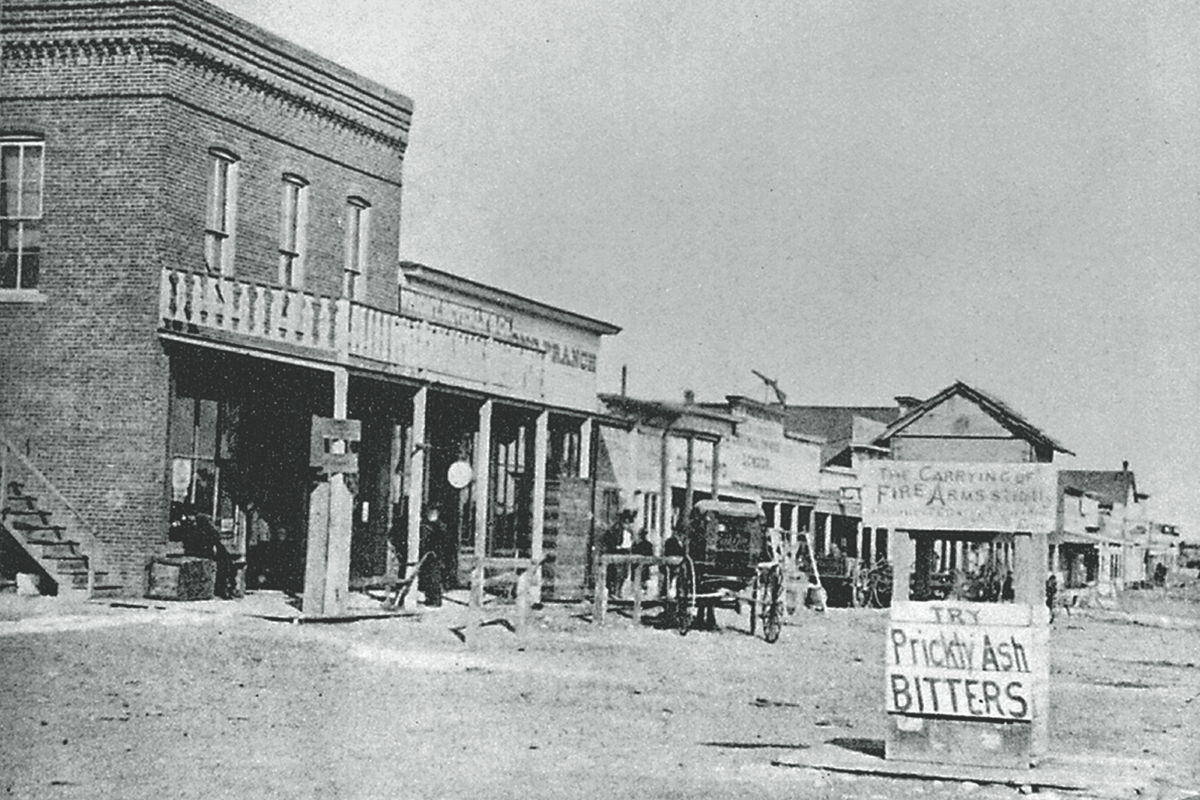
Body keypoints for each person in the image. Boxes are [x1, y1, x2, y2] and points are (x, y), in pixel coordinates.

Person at [601, 509, 637, 598]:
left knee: (624, 574)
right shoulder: (614, 529)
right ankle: (612, 592)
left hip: (626, 553)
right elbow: (607, 539)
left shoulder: (630, 531)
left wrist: (630, 547)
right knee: (615, 573)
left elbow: (633, 541)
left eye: (628, 521)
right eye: (625, 521)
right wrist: (614, 547)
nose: (627, 523)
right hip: (616, 552)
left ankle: (619, 591)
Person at [419, 506, 447, 607]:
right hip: (428, 554)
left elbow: (442, 540)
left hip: (435, 555)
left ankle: (435, 600)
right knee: (428, 577)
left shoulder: (439, 525)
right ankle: (430, 598)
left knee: (434, 577)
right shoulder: (427, 524)